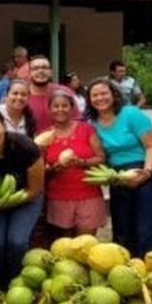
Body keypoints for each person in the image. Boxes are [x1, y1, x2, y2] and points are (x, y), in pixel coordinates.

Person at [86, 77, 152, 257]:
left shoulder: (131, 113)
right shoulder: (92, 124)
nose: (100, 98)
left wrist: (146, 173)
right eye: (95, 95)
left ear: (114, 95)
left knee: (148, 230)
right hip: (118, 177)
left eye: (104, 93)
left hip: (147, 172)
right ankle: (126, 276)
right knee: (123, 232)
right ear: (89, 100)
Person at [0, 108, 45, 289]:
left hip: (26, 198)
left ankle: (19, 283)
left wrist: (8, 201)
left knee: (17, 242)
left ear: (3, 126)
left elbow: (35, 189)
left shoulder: (25, 147)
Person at [41, 90, 107, 237]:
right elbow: (39, 169)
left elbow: (101, 158)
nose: (60, 109)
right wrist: (54, 169)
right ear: (50, 109)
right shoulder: (45, 135)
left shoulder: (86, 129)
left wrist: (81, 162)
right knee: (64, 248)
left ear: (72, 108)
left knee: (85, 245)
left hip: (88, 195)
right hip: (58, 197)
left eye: (65, 106)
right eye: (56, 106)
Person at [26, 55, 77, 132]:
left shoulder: (65, 92)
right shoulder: (21, 96)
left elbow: (77, 121)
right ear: (29, 74)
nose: (41, 71)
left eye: (44, 68)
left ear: (51, 72)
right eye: (36, 68)